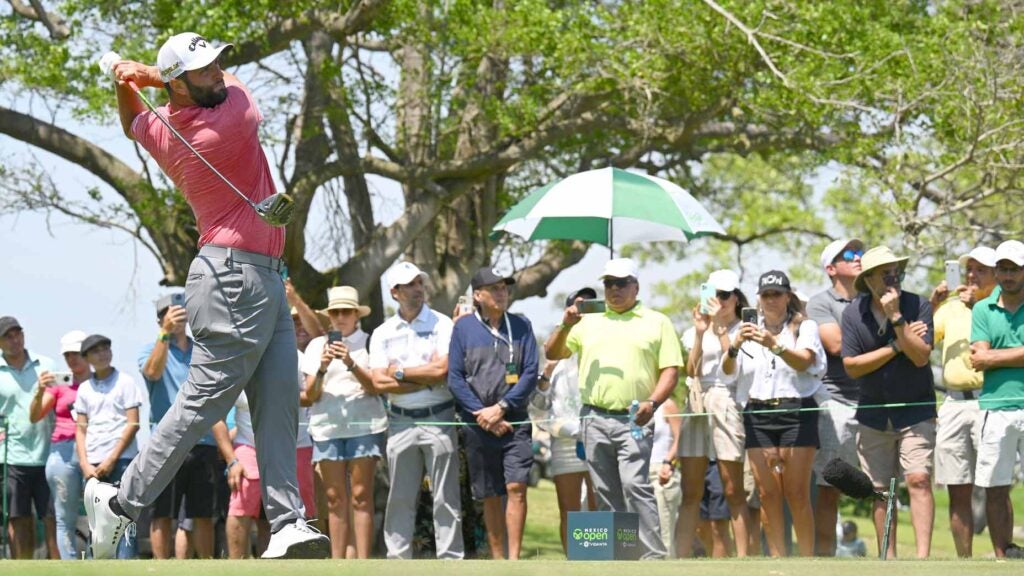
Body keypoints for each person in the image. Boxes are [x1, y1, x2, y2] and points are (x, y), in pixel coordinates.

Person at [97, 33, 328, 559]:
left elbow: (132, 121)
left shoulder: (164, 129)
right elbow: (225, 91)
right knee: (204, 401)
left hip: (262, 275)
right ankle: (121, 505)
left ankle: (288, 522)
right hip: (233, 278)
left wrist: (129, 81)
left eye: (219, 62)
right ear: (176, 84)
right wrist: (146, 74)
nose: (220, 73)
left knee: (278, 402)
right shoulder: (228, 119)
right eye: (203, 70)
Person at [545, 257, 683, 560]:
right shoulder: (588, 320)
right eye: (609, 283)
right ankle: (621, 556)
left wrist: (652, 402)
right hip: (594, 416)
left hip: (635, 415)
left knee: (635, 485)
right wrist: (566, 324)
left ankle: (652, 557)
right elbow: (553, 351)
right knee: (605, 491)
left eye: (621, 283)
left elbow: (670, 370)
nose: (614, 289)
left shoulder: (656, 321)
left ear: (636, 286)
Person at [842, 246, 936, 559]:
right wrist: (898, 345)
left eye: (894, 269)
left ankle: (922, 559)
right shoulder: (853, 313)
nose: (892, 276)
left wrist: (897, 317)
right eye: (884, 272)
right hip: (872, 414)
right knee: (880, 490)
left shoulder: (918, 304)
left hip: (916, 410)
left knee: (919, 479)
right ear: (868, 280)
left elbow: (921, 357)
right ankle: (888, 558)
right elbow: (852, 366)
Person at [369, 262, 463, 559]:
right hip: (400, 423)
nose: (418, 289)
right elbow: (377, 380)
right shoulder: (383, 332)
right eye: (410, 285)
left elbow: (442, 370)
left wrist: (399, 373)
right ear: (394, 292)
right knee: (400, 498)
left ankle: (450, 561)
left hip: (440, 418)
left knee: (446, 498)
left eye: (419, 283)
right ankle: (398, 562)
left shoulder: (442, 323)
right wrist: (420, 378)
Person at [729, 270, 826, 557]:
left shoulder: (804, 326)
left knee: (796, 493)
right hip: (757, 411)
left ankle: (806, 562)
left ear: (788, 296)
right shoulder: (745, 329)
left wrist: (775, 345)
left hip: (796, 409)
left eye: (777, 293)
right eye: (766, 294)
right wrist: (734, 345)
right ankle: (778, 560)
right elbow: (728, 371)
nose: (771, 299)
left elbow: (805, 361)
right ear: (758, 299)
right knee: (767, 494)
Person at [448, 267, 539, 560]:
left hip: (515, 420)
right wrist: (481, 414)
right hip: (478, 424)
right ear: (478, 295)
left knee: (516, 486)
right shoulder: (463, 328)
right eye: (494, 288)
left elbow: (529, 373)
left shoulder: (522, 325)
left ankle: (513, 560)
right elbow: (455, 378)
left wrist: (500, 408)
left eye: (504, 287)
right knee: (489, 493)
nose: (502, 293)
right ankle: (498, 561)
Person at [302, 286, 385, 559]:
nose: (340, 317)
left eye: (346, 311)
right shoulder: (316, 346)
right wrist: (323, 366)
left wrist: (349, 361)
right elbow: (310, 395)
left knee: (361, 496)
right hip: (327, 428)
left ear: (356, 315)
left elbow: (375, 387)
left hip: (365, 425)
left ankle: (363, 563)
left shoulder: (370, 341)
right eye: (335, 312)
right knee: (335, 499)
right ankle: (337, 563)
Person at [138, 294, 221, 559]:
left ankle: (206, 566)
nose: (177, 317)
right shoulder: (149, 349)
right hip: (166, 444)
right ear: (160, 319)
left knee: (203, 514)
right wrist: (165, 334)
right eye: (169, 313)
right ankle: (161, 568)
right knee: (163, 513)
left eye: (182, 312)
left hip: (203, 441)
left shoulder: (203, 351)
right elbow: (152, 372)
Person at [678, 269, 754, 558]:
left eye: (725, 295)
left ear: (736, 297)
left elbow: (731, 370)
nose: (719, 301)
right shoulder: (694, 329)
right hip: (697, 401)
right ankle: (679, 558)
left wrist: (724, 333)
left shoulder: (744, 329)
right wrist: (700, 333)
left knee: (733, 489)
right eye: (714, 294)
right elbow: (691, 371)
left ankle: (744, 559)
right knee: (690, 492)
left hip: (727, 399)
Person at [929, 246, 997, 557]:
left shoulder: (1004, 305)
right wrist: (932, 307)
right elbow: (923, 342)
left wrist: (979, 306)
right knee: (958, 487)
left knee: (995, 485)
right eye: (969, 269)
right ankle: (964, 561)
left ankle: (1002, 555)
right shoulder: (951, 308)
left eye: (980, 270)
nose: (971, 275)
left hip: (990, 400)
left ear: (996, 275)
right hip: (954, 403)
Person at [807, 238, 863, 556]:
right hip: (836, 401)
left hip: (874, 401)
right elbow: (837, 346)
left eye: (860, 253)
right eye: (850, 255)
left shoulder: (876, 298)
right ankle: (825, 560)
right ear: (831, 268)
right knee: (830, 487)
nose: (859, 258)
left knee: (885, 485)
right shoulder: (819, 303)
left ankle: (892, 561)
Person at [969, 239, 1024, 559]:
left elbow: (987, 356)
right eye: (1002, 269)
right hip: (995, 407)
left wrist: (993, 356)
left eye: (1014, 269)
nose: (1007, 275)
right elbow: (978, 359)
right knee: (994, 485)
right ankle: (1003, 556)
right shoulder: (981, 307)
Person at [75, 335, 142, 559]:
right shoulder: (84, 388)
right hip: (93, 464)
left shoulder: (126, 381)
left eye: (106, 348)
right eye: (96, 351)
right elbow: (81, 428)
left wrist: (111, 459)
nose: (103, 353)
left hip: (122, 460)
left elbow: (133, 424)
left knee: (124, 518)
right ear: (86, 358)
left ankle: (127, 566)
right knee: (97, 524)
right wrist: (84, 463)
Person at [28, 330, 89, 559]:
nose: (72, 359)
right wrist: (39, 391)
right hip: (62, 450)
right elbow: (34, 416)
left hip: (95, 450)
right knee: (64, 516)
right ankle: (69, 566)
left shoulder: (100, 381)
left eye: (77, 353)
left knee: (98, 514)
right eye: (67, 355)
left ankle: (97, 565)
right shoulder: (58, 384)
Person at [0, 316, 57, 559]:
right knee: (18, 517)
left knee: (51, 516)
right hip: (11, 454)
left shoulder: (46, 365)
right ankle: (20, 568)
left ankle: (60, 568)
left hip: (48, 452)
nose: (15, 340)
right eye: (8, 337)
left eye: (18, 334)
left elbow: (60, 399)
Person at [528, 353, 596, 554]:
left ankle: (600, 560)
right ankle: (574, 561)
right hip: (564, 443)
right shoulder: (553, 363)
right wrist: (547, 371)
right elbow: (537, 409)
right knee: (568, 510)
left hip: (597, 437)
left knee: (598, 507)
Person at [650, 398, 682, 558]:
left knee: (665, 535)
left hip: (662, 472)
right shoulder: (632, 403)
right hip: (637, 473)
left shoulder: (667, 405)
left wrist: (668, 462)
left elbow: (679, 438)